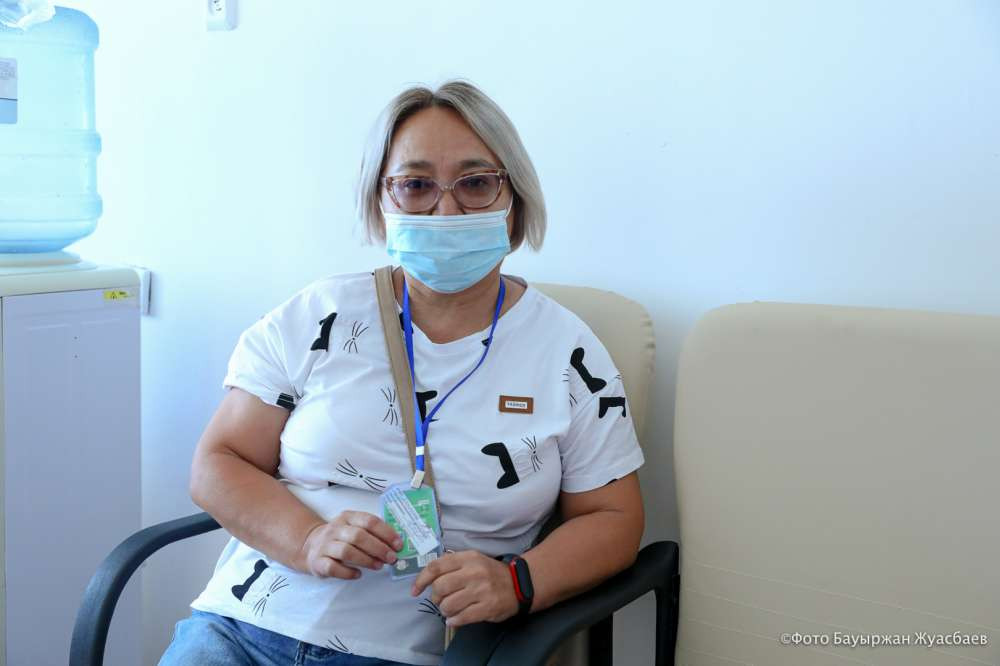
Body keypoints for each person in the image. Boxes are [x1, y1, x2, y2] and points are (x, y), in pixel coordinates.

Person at [159, 80, 646, 666]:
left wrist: (517, 581)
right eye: (416, 186)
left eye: (475, 183)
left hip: (410, 653)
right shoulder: (319, 316)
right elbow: (219, 462)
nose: (446, 210)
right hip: (241, 629)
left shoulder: (567, 352)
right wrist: (307, 539)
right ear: (380, 203)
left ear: (514, 199)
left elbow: (614, 518)